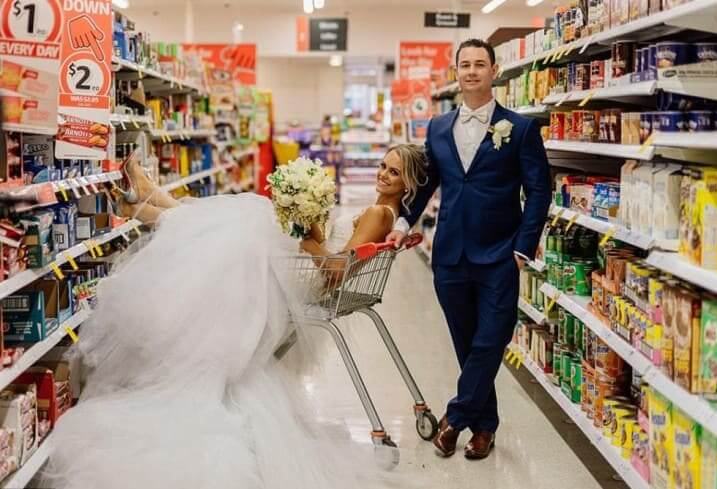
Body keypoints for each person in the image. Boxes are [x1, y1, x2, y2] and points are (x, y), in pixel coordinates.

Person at [43, 144, 427, 488]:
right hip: (305, 269)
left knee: (241, 225)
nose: (383, 174)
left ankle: (148, 203)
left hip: (306, 279)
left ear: (409, 184)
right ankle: (147, 202)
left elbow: (335, 271)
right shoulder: (383, 211)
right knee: (242, 223)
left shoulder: (380, 212)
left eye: (394, 172)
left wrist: (307, 231)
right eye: (383, 165)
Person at [387, 38, 552, 460]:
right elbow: (426, 185)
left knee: (490, 341)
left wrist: (523, 247)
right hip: (450, 255)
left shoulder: (520, 128)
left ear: (495, 71)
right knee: (467, 344)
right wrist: (404, 221)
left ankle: (455, 418)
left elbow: (538, 191)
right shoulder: (438, 128)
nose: (473, 71)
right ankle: (485, 428)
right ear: (456, 72)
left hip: (500, 254)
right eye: (465, 64)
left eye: (481, 64)